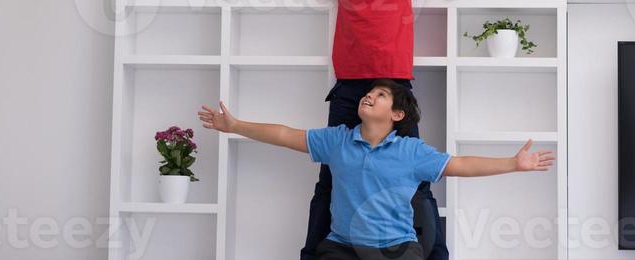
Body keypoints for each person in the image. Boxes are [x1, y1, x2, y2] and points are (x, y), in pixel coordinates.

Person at [285, 0, 460, 260]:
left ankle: (436, 255)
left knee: (417, 180)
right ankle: (315, 253)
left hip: (394, 89)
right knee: (329, 179)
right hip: (349, 92)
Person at [198, 80, 555, 259]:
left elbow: (460, 164)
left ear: (397, 115)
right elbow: (286, 134)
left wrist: (513, 164)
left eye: (381, 95)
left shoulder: (411, 151)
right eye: (369, 93)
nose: (370, 96)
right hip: (343, 247)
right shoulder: (337, 141)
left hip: (396, 249)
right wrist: (236, 126)